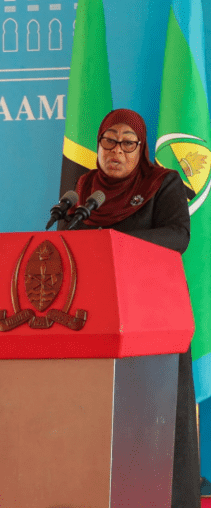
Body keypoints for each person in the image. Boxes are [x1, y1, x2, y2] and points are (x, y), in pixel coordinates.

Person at [62, 108, 199, 508]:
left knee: (155, 416)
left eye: (127, 142)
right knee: (100, 418)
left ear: (141, 148)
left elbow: (177, 236)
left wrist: (112, 240)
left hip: (153, 315)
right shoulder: (83, 188)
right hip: (95, 319)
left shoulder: (163, 183)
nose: (116, 150)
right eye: (108, 140)